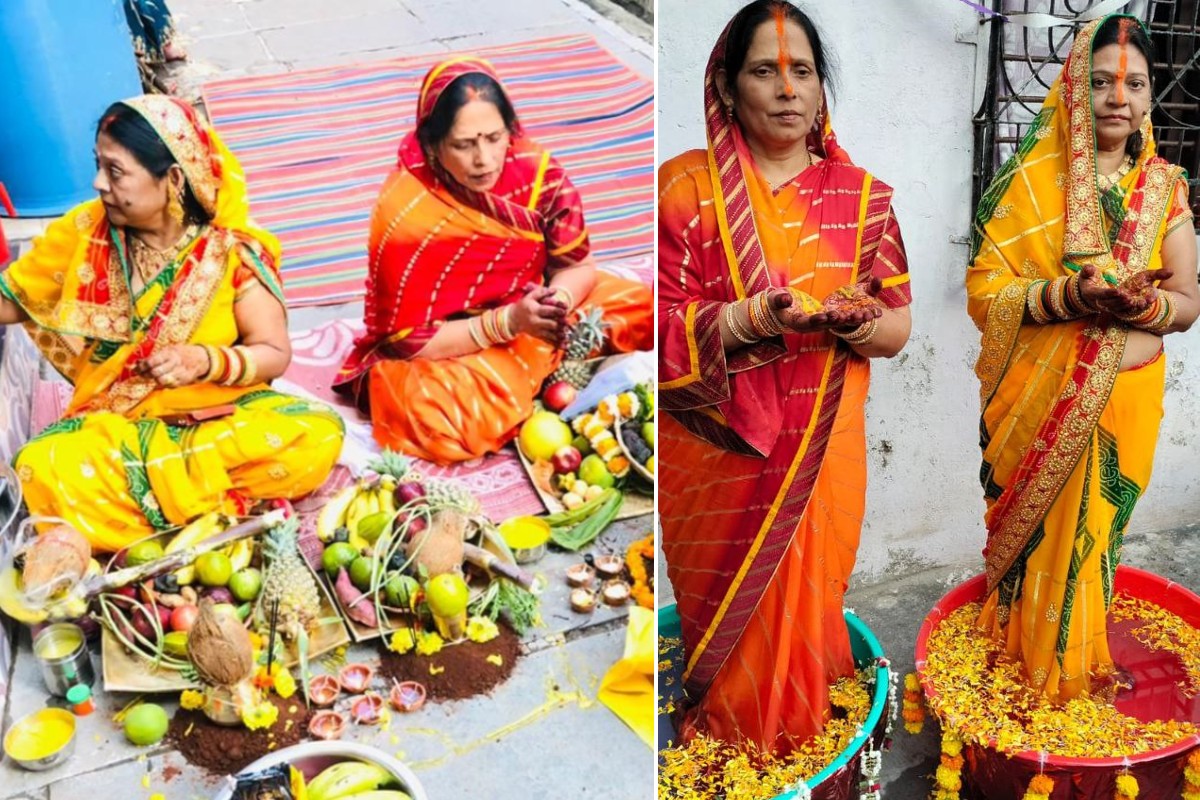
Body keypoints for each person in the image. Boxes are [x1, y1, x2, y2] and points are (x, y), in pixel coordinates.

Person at [658, 0, 912, 751]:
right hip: (717, 454)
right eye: (765, 71)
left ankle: (794, 731)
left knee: (805, 598)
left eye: (801, 71)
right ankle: (733, 733)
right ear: (728, 88)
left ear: (821, 88)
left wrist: (855, 322)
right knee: (728, 601)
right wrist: (751, 319)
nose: (786, 88)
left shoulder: (864, 200)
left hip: (820, 448)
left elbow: (898, 326)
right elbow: (656, 322)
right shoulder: (681, 189)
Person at [967, 15, 1197, 702]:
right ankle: (1028, 667)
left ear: (1152, 94)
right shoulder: (1029, 184)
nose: (1117, 97)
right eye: (1099, 81)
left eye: (1134, 83)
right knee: (1039, 542)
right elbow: (985, 292)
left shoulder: (1165, 188)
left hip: (1127, 404)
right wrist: (1067, 295)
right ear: (1072, 88)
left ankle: (1077, 658)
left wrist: (1141, 309)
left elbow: (1186, 299)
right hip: (1041, 403)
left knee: (1096, 543)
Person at [0, 95, 345, 553]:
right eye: (98, 165)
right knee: (39, 466)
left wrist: (203, 361)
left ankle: (153, 521)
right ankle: (213, 517)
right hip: (115, 431)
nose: (98, 182)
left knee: (316, 434)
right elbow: (10, 301)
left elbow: (273, 354)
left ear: (173, 179)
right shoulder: (85, 233)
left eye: (115, 171)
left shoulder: (231, 251)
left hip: (210, 423)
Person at [334, 57, 653, 464]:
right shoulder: (405, 211)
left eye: (493, 137)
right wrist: (508, 323)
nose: (483, 159)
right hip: (458, 342)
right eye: (463, 145)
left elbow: (577, 266)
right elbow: (407, 341)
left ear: (511, 130)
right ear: (432, 146)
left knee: (645, 309)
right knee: (433, 415)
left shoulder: (537, 174)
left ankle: (540, 377)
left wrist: (553, 305)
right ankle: (542, 378)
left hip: (536, 313)